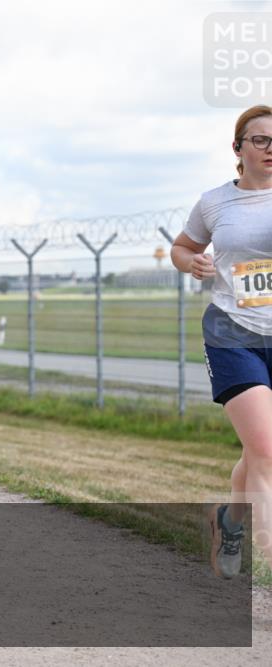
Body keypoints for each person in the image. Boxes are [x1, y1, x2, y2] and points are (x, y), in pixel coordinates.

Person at [171, 104, 272, 579]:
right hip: (233, 332)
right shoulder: (215, 202)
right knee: (266, 452)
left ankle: (228, 522)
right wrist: (191, 262)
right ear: (238, 148)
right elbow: (183, 246)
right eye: (261, 139)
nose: (270, 148)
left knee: (258, 450)